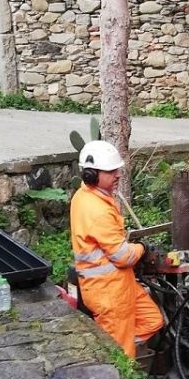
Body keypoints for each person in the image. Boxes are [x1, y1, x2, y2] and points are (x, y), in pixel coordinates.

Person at [70, 140, 164, 358]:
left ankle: (110, 348)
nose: (118, 175)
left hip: (120, 285)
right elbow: (123, 257)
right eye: (112, 171)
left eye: (117, 169)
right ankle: (118, 365)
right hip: (109, 293)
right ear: (92, 175)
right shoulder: (96, 209)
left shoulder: (88, 196)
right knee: (123, 354)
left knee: (152, 320)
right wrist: (141, 248)